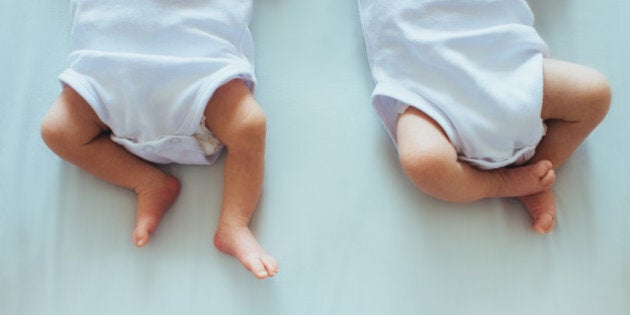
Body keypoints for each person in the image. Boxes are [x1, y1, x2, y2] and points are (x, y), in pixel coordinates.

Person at [40, 0, 278, 279]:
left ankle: (234, 224)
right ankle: (146, 181)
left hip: (199, 74)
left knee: (249, 125)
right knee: (58, 131)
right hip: (105, 78)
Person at [358, 0, 611, 233]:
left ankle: (537, 172)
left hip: (509, 67)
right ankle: (502, 183)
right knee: (423, 162)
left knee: (595, 94)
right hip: (428, 92)